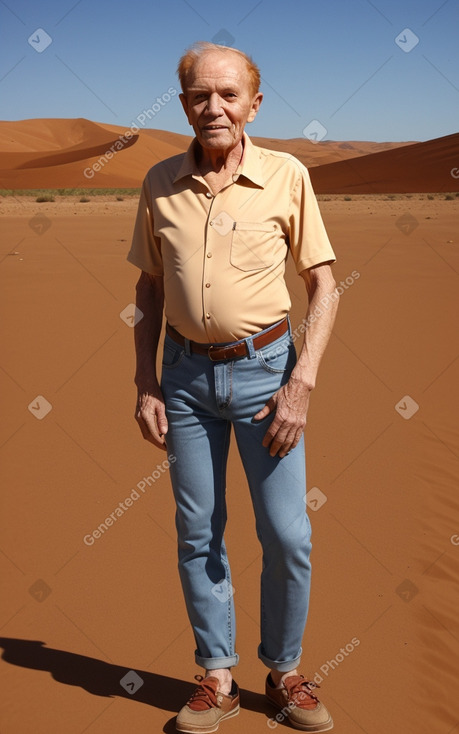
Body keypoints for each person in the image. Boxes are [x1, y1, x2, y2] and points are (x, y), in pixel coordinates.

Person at [127, 41, 339, 733]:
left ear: (253, 102)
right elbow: (150, 286)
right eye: (197, 95)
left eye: (226, 94)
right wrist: (146, 380)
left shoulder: (285, 175)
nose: (212, 107)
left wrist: (301, 380)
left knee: (286, 534)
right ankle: (216, 676)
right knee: (197, 531)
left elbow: (323, 286)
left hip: (267, 376)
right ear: (183, 102)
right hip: (185, 380)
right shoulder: (159, 181)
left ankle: (283, 673)